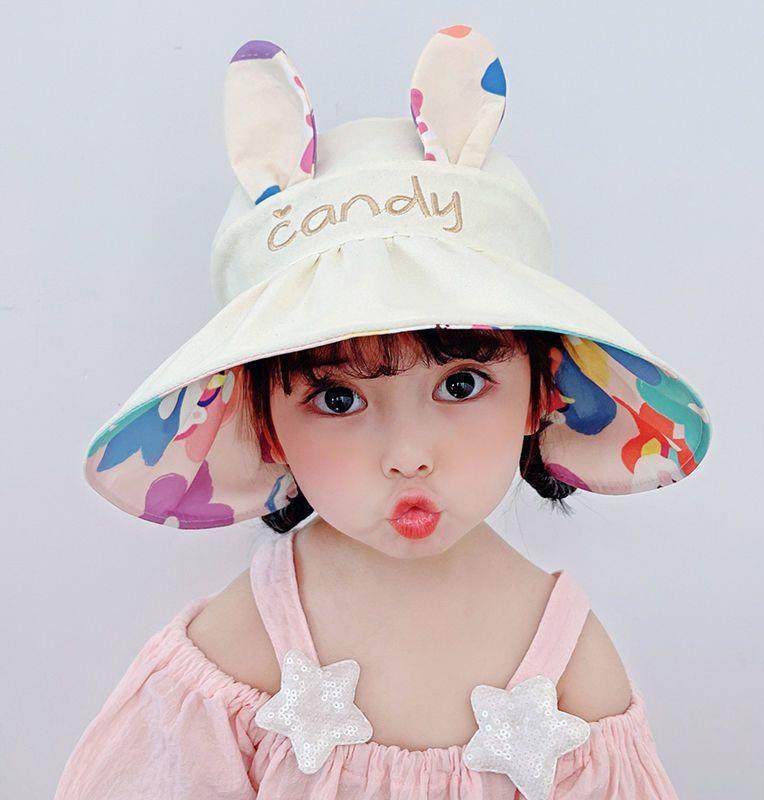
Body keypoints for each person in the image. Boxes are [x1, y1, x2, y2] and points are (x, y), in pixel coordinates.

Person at [55, 24, 712, 800]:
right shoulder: (247, 646)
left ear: (543, 391)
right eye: (338, 399)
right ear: (264, 423)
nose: (407, 453)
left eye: (460, 385)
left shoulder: (564, 657)